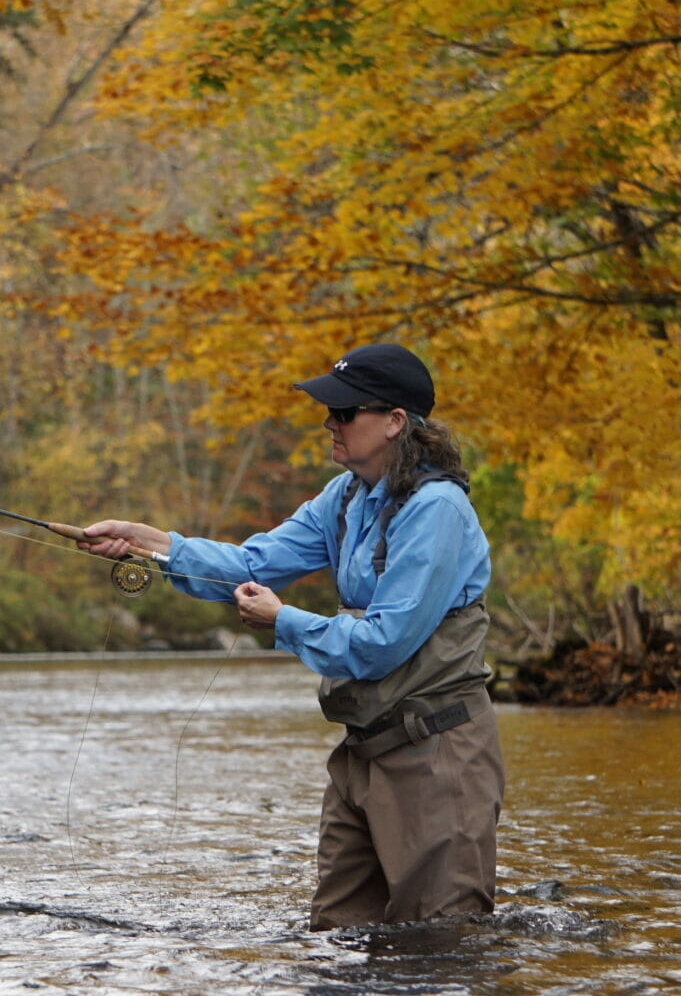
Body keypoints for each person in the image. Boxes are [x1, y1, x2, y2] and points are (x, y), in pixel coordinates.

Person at [81, 343, 504, 929]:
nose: (329, 421)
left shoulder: (437, 510)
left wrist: (283, 621)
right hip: (364, 752)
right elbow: (253, 561)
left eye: (345, 412)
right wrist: (151, 543)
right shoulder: (346, 496)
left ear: (395, 422)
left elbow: (385, 641)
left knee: (441, 947)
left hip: (438, 754)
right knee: (337, 940)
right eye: (330, 410)